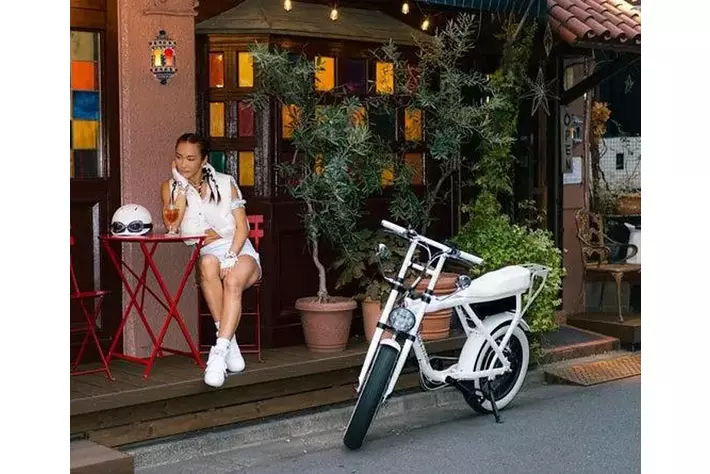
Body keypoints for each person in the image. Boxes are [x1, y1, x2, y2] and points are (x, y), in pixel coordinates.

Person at [160, 133, 261, 388]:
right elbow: (174, 226)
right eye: (179, 157)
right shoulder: (171, 187)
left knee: (232, 281)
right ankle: (229, 344)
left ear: (204, 160)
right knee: (206, 264)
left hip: (239, 249)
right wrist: (181, 186)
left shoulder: (225, 183)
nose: (183, 164)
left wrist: (231, 256)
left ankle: (218, 355)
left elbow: (242, 228)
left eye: (190, 158)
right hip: (209, 254)